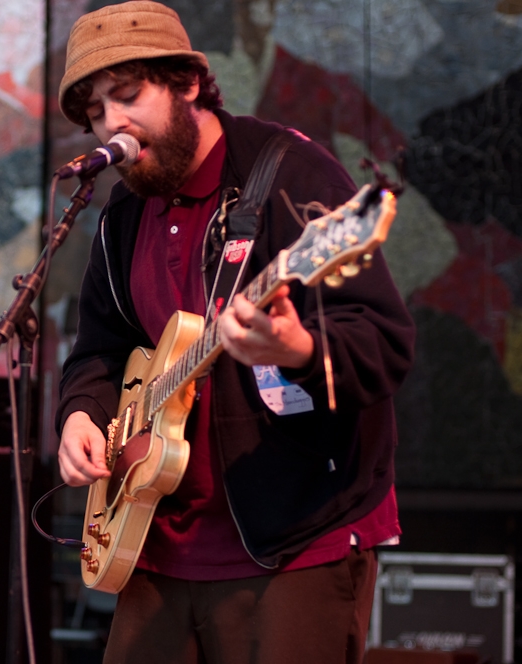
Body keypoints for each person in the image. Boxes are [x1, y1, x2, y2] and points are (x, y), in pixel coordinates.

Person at [54, 3, 415, 663]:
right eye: (97, 112)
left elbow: (385, 341)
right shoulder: (123, 211)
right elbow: (100, 352)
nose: (114, 125)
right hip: (155, 542)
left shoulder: (289, 174)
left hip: (296, 537)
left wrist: (298, 350)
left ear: (188, 83)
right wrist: (83, 414)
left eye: (128, 95)